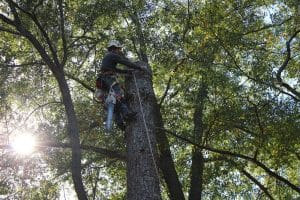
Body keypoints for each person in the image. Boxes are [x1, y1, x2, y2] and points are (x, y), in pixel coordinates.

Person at [98, 40, 144, 130]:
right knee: (118, 96)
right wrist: (138, 67)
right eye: (119, 49)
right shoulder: (112, 55)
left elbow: (115, 70)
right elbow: (125, 62)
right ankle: (126, 114)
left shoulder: (108, 58)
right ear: (115, 48)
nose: (119, 51)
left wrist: (127, 71)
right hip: (108, 79)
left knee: (111, 101)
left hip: (104, 81)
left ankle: (120, 123)